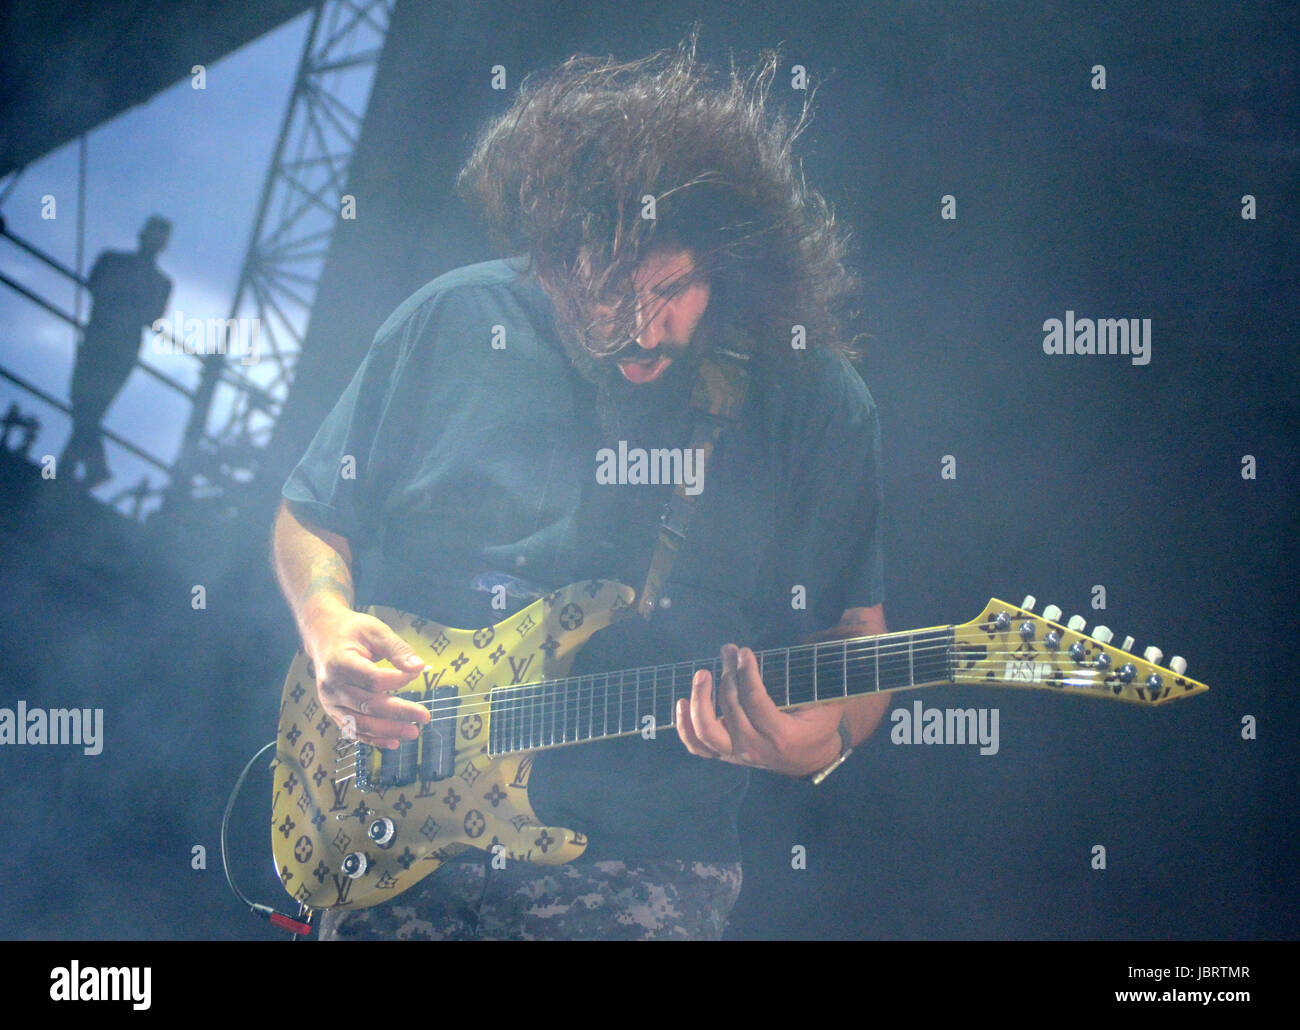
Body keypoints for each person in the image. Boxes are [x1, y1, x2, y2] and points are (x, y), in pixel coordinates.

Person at [272, 38, 889, 939]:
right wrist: (327, 629)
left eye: (667, 289)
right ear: (546, 258)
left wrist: (815, 743)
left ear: (724, 257)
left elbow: (857, 643)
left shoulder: (812, 398)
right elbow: (312, 511)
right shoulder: (453, 321)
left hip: (644, 862)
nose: (634, 328)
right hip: (392, 841)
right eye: (596, 295)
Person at [61, 215, 173, 487]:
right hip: (110, 345)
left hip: (108, 344)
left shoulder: (117, 263)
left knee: (86, 406)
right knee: (87, 406)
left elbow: (148, 316)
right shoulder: (149, 278)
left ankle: (74, 468)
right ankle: (82, 468)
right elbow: (150, 317)